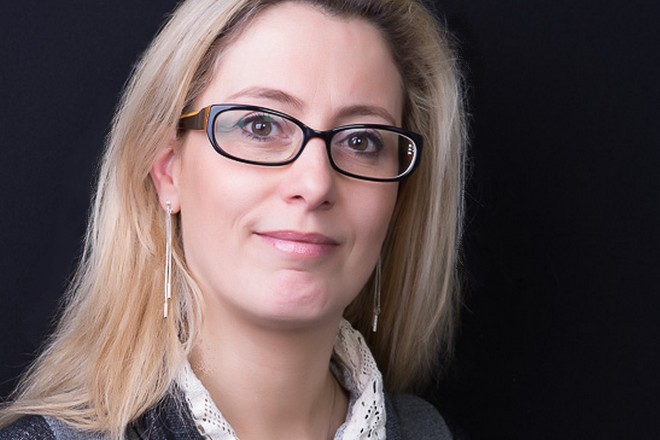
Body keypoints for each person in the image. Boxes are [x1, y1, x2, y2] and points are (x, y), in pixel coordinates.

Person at [0, 0, 466, 438]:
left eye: (361, 141)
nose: (315, 184)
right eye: (260, 126)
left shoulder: (424, 430)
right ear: (167, 169)